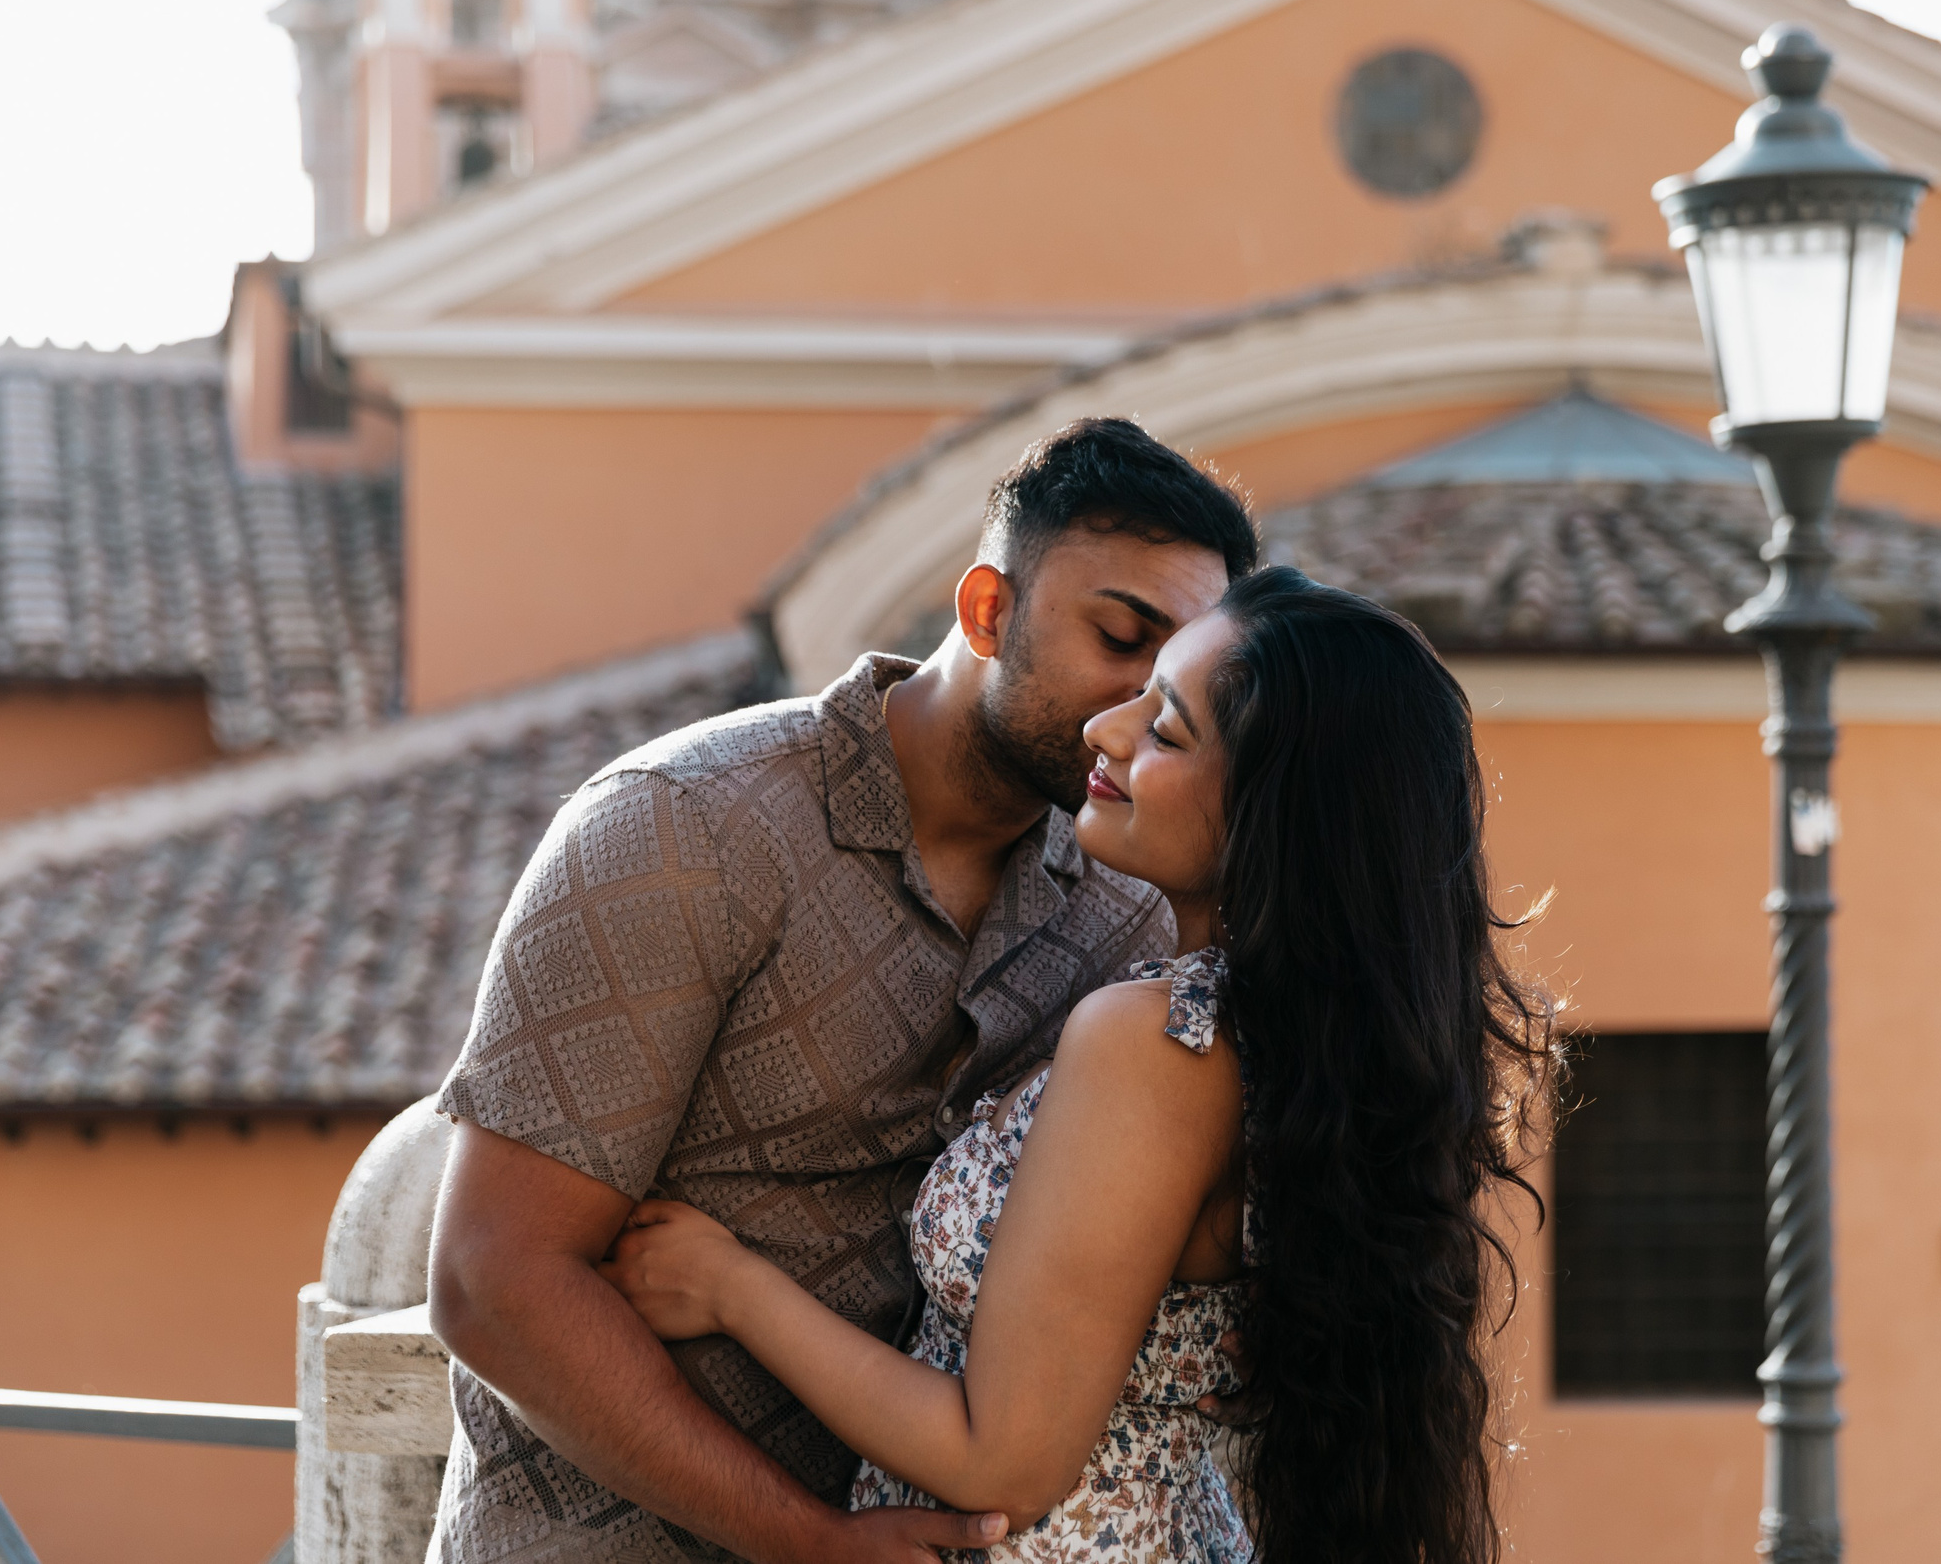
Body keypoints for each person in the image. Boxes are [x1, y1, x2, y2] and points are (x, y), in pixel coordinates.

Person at [424, 418, 1261, 1564]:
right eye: (1120, 638)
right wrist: (807, 1542)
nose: (1135, 707)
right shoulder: (683, 829)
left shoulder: (1134, 904)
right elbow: (492, 1279)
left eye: (1172, 679)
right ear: (988, 611)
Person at [600, 566, 1561, 1564]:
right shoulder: (1291, 1047)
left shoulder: (1163, 1042)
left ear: (1275, 818)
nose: (1106, 730)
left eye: (1166, 731)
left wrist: (730, 1287)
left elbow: (999, 1464)